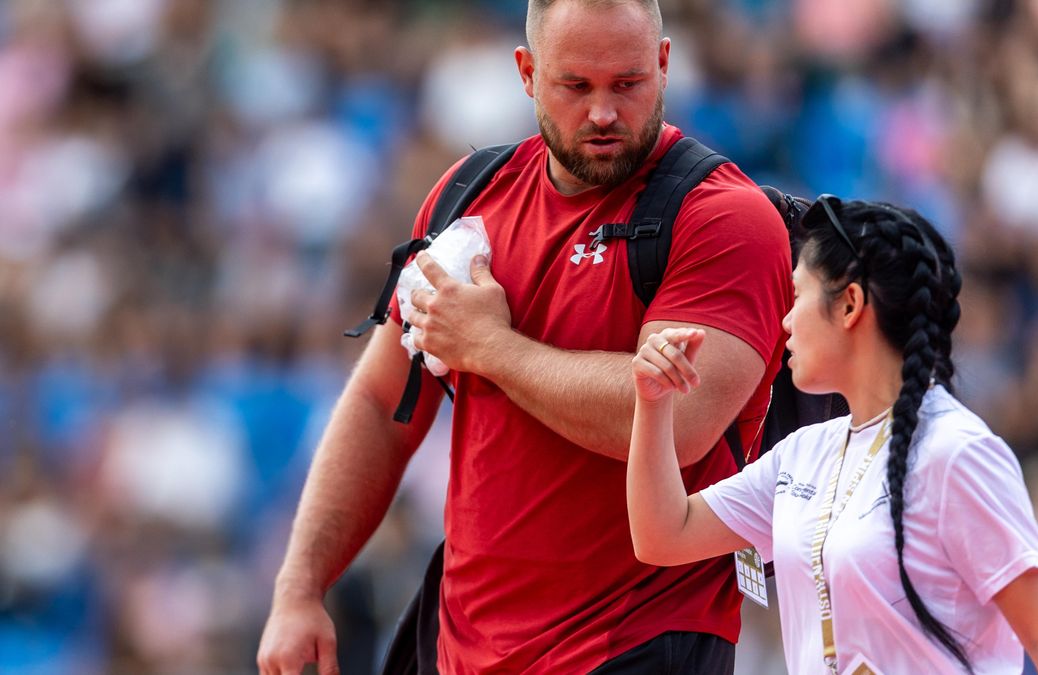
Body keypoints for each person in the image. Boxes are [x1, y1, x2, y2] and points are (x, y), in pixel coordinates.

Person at [256, 1, 793, 673]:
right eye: (576, 85)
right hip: (460, 649)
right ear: (528, 73)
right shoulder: (466, 195)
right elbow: (380, 402)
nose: (603, 112)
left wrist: (492, 349)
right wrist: (300, 585)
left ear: (663, 65)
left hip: (635, 645)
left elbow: (677, 424)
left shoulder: (723, 219)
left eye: (627, 84)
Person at [627, 196, 1038, 674]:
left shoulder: (957, 453)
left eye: (796, 297)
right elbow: (663, 533)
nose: (784, 322)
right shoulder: (803, 454)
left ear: (849, 304)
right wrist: (652, 400)